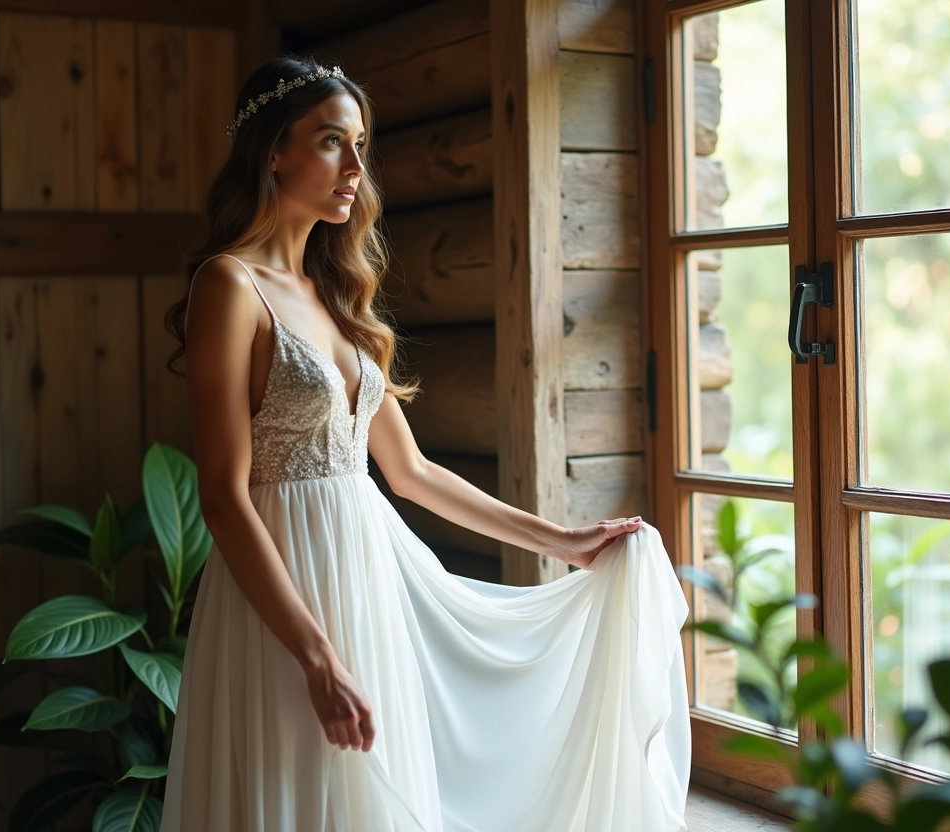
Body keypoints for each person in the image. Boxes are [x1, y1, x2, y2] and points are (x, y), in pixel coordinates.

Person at [159, 55, 691, 832]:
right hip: (280, 596)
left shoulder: (335, 298)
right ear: (274, 150)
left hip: (366, 583)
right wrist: (315, 656)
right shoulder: (229, 287)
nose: (355, 167)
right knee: (291, 789)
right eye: (332, 141)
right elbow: (222, 494)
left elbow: (409, 472)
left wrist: (564, 541)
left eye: (362, 145)